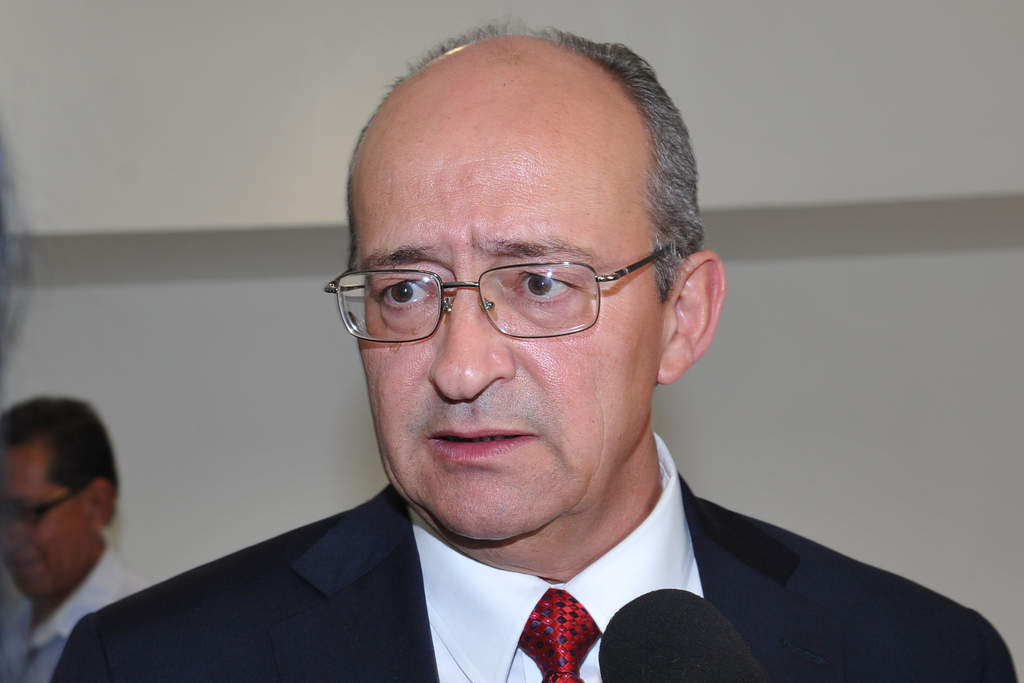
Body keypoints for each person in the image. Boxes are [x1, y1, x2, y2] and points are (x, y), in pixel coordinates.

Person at [54, 25, 1015, 682]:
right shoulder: (147, 664)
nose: (461, 367)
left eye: (540, 282)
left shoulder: (922, 658)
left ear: (682, 316)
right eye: (405, 288)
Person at [1, 396, 145, 683]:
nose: (9, 537)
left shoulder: (143, 637)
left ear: (97, 505)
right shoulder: (11, 626)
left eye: (31, 512)